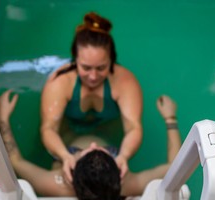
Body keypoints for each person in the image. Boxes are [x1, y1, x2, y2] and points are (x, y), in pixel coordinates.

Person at [0, 90, 181, 200]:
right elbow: (175, 166)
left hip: (69, 138)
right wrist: (170, 118)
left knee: (56, 124)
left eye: (83, 153)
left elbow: (15, 161)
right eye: (104, 151)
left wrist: (3, 118)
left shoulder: (57, 184)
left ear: (71, 171)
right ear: (118, 171)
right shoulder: (128, 184)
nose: (94, 145)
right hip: (107, 133)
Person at [40, 12, 143, 185]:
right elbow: (48, 128)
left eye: (101, 67)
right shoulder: (60, 83)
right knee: (61, 176)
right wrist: (65, 156)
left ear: (111, 60)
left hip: (108, 132)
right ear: (75, 59)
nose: (93, 76)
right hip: (68, 133)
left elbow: (133, 127)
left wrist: (124, 156)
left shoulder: (125, 82)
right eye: (86, 68)